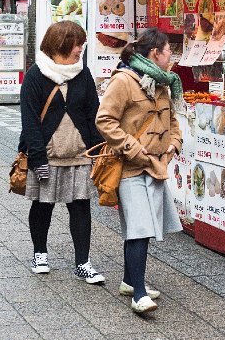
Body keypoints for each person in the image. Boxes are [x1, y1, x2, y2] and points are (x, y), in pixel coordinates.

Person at [96, 28, 183, 313]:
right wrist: (134, 148)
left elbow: (172, 120)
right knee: (139, 228)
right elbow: (105, 120)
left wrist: (175, 145)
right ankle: (139, 294)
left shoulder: (162, 82)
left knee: (140, 229)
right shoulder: (124, 81)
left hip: (156, 166)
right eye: (168, 49)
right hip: (130, 167)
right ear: (154, 52)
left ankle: (129, 281)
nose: (171, 55)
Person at [19, 20, 106, 284]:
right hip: (47, 153)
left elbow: (93, 113)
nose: (81, 48)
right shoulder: (36, 75)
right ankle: (39, 253)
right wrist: (37, 158)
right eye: (78, 43)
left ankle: (83, 262)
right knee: (43, 205)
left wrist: (98, 150)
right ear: (63, 44)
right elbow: (30, 120)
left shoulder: (83, 73)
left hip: (79, 153)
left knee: (80, 207)